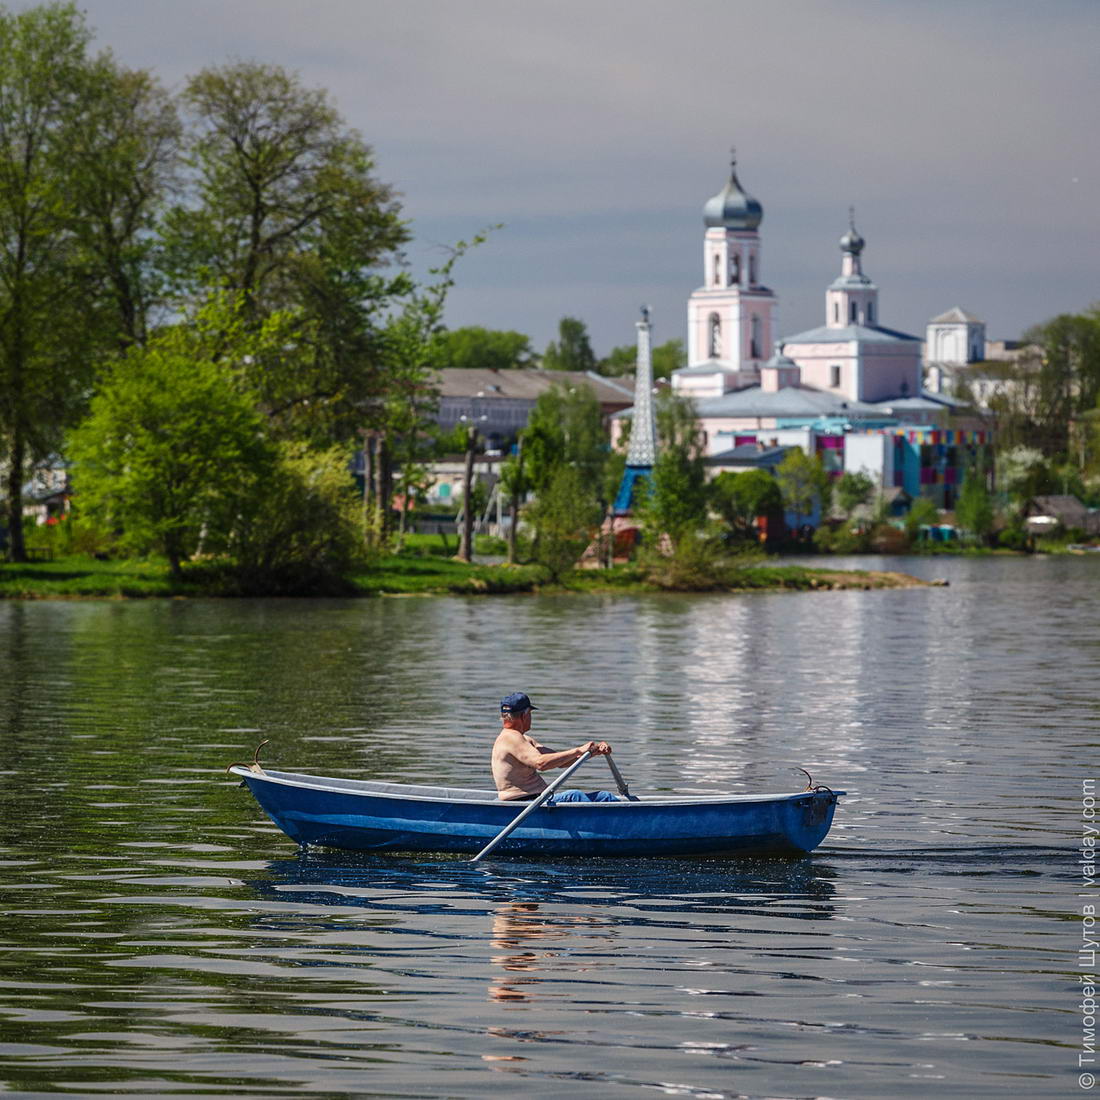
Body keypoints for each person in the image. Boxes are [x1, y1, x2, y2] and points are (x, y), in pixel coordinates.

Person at [491, 692, 617, 803]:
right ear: (525, 715)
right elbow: (541, 763)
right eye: (530, 714)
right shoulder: (511, 738)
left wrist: (593, 752)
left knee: (604, 797)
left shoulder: (524, 739)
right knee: (575, 796)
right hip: (525, 803)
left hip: (538, 799)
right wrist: (578, 750)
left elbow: (561, 762)